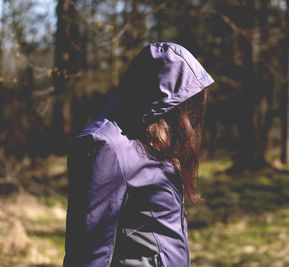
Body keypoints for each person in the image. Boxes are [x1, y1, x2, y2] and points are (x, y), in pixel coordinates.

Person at [63, 42, 214, 267]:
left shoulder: (155, 139)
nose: (190, 117)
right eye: (187, 105)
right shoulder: (105, 145)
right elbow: (87, 248)